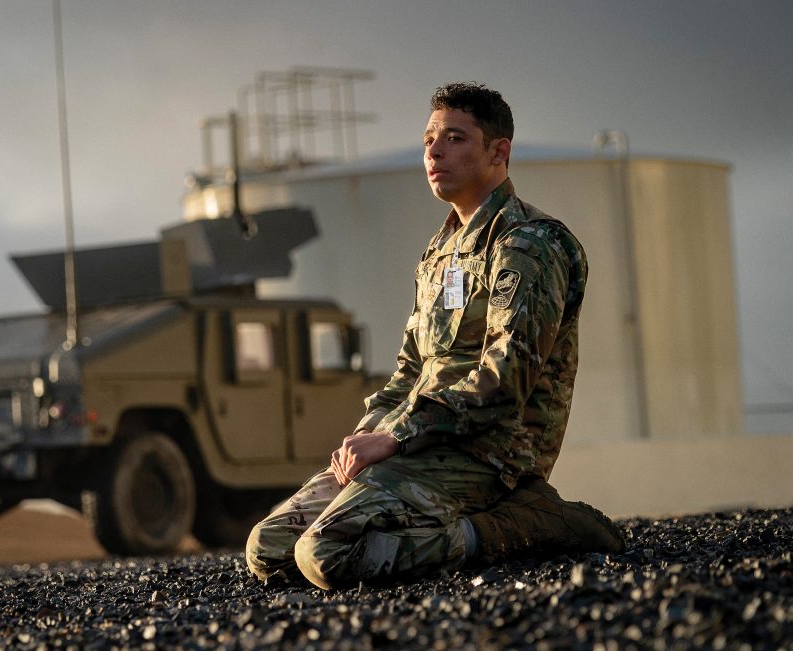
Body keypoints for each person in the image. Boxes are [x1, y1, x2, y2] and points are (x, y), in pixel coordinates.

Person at [245, 82, 625, 590]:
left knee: (326, 554)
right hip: (418, 443)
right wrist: (370, 434)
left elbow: (505, 379)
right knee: (268, 550)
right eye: (429, 139)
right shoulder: (440, 252)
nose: (435, 150)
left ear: (498, 152)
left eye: (455, 138)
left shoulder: (528, 244)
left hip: (490, 454)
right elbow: (410, 369)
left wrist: (396, 437)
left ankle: (523, 523)